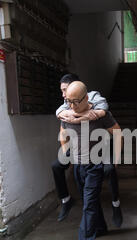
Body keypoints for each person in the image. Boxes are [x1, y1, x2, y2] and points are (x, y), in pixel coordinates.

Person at [59, 81, 122, 240]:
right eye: (68, 101)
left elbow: (117, 132)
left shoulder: (100, 115)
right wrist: (66, 153)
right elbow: (63, 132)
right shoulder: (67, 115)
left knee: (88, 205)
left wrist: (116, 159)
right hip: (78, 166)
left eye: (76, 101)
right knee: (89, 201)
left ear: (86, 98)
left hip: (95, 165)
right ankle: (100, 226)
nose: (72, 106)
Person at [51, 74, 123, 227]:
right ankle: (66, 200)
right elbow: (61, 123)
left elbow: (103, 107)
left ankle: (115, 204)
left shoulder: (93, 98)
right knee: (57, 165)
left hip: (101, 144)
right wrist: (67, 154)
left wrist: (95, 114)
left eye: (65, 91)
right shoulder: (67, 104)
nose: (63, 95)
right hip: (79, 146)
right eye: (63, 92)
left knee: (110, 169)